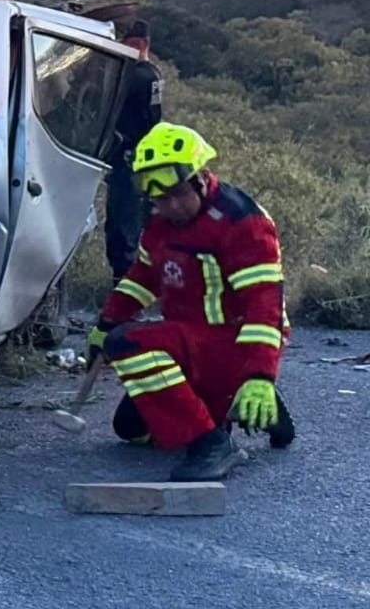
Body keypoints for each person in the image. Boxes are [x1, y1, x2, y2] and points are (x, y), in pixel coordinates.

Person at [86, 122, 294, 482]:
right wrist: (104, 325)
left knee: (129, 344)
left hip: (232, 340)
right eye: (160, 199)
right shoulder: (160, 222)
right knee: (130, 428)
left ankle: (211, 443)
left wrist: (260, 373)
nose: (170, 206)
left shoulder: (241, 222)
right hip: (191, 340)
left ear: (200, 178)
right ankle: (237, 403)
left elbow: (264, 305)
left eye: (178, 194)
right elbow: (143, 277)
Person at [104, 19, 163, 279]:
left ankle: (125, 290)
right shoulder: (152, 74)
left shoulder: (136, 76)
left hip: (129, 160)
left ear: (138, 44)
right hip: (136, 159)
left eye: (124, 42)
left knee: (122, 226)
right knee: (124, 225)